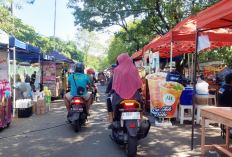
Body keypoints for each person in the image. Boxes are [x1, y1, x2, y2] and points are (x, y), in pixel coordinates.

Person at [110, 53, 148, 122]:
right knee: (141, 102)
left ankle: (111, 118)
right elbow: (138, 83)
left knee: (111, 101)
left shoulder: (117, 70)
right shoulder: (134, 69)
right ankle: (141, 116)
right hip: (135, 96)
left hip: (119, 97)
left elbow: (114, 84)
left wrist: (111, 91)